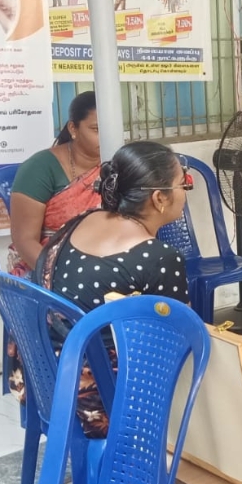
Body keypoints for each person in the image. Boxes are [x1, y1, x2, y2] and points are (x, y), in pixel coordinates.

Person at [31, 140, 192, 437]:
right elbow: (177, 346)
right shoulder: (158, 258)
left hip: (41, 378)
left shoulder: (80, 222)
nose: (185, 193)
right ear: (159, 198)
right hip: (95, 401)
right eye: (183, 184)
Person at [9, 91, 101, 279]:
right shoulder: (40, 168)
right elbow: (24, 240)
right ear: (73, 129)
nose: (107, 136)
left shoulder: (120, 163)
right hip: (46, 265)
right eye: (97, 130)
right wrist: (61, 277)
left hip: (103, 264)